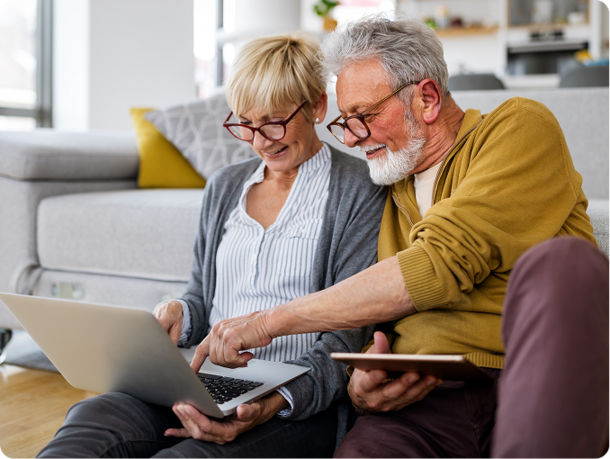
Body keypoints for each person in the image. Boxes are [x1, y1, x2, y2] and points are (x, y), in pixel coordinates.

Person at [194, 14, 610, 459]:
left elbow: (440, 262)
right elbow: (363, 321)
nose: (353, 140)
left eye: (364, 117)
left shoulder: (517, 127)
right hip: (419, 404)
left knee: (565, 263)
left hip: (525, 377)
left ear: (427, 98)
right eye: (345, 122)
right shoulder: (384, 187)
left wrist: (264, 323)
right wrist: (360, 388)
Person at [37, 32, 387, 458]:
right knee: (94, 421)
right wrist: (178, 313)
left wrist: (268, 403)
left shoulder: (358, 190)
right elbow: (202, 298)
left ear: (316, 106)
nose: (260, 141)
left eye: (274, 121)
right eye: (245, 123)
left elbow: (346, 338)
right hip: (204, 383)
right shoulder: (225, 186)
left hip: (292, 404)